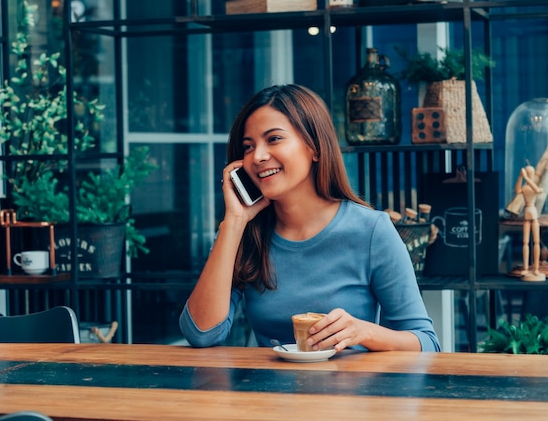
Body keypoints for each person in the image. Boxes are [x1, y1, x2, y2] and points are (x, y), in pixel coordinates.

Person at [179, 84, 440, 352]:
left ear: (314, 147)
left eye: (274, 139)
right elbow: (201, 334)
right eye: (248, 147)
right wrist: (233, 222)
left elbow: (428, 344)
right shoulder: (243, 234)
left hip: (351, 390)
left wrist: (363, 332)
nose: (257, 156)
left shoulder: (371, 230)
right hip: (264, 392)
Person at [514, 165, 545, 282]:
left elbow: (537, 190)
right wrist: (520, 177)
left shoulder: (534, 187)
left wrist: (526, 178)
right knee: (525, 242)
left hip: (533, 213)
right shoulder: (526, 188)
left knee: (536, 242)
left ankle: (536, 268)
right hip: (527, 213)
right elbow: (517, 190)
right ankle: (526, 268)